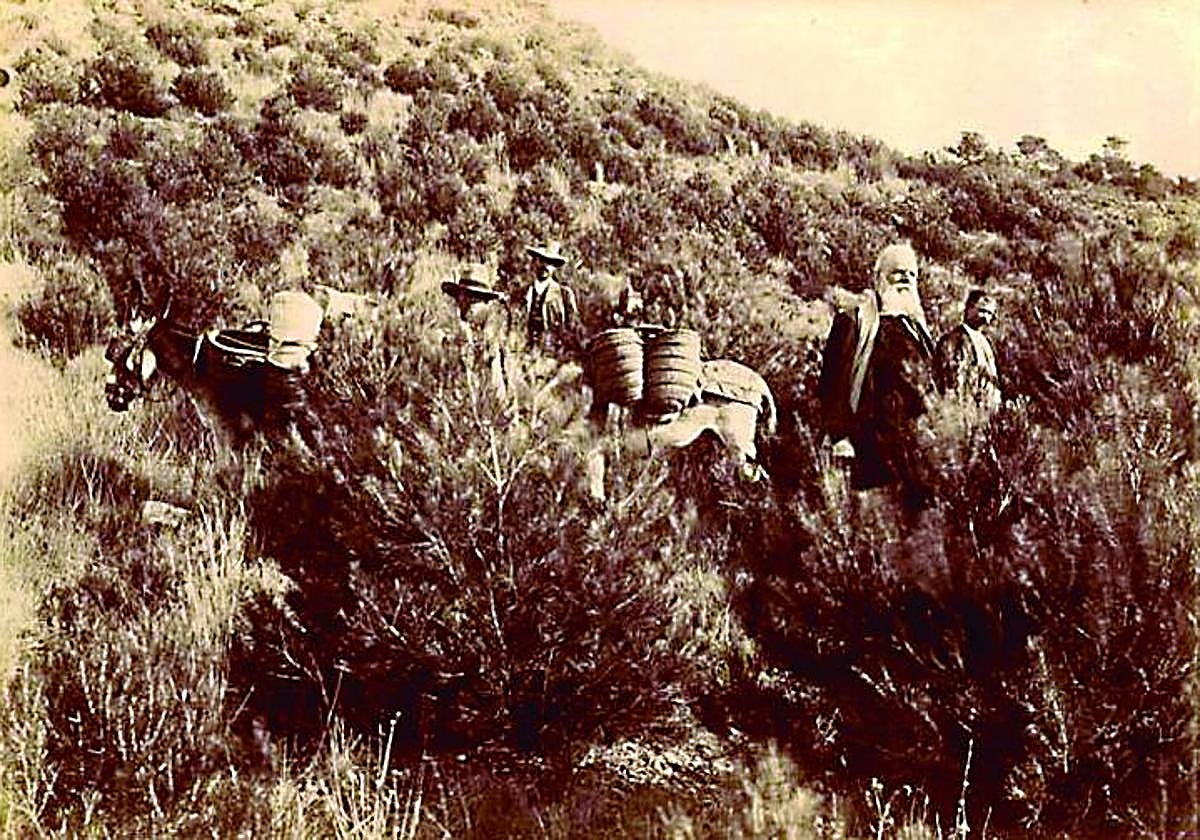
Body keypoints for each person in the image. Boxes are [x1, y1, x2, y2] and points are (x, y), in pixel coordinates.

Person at [818, 242, 937, 502]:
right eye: (896, 271)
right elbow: (831, 383)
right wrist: (840, 436)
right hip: (867, 448)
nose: (905, 277)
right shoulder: (853, 321)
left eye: (911, 273)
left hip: (916, 451)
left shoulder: (920, 333)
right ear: (878, 278)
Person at [441, 262, 511, 397]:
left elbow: (498, 394)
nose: (466, 306)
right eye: (462, 298)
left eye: (474, 300)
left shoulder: (493, 342)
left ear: (487, 304)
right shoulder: (452, 338)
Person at [933, 288, 1002, 417]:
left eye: (989, 313)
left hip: (986, 411)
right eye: (982, 311)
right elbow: (952, 379)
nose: (986, 317)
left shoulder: (986, 342)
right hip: (964, 410)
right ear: (969, 308)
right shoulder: (954, 339)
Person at [523, 240, 579, 348]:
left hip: (553, 354)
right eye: (541, 260)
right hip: (523, 353)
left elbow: (573, 329)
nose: (545, 265)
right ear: (534, 261)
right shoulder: (522, 293)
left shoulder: (564, 295)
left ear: (555, 267)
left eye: (550, 262)